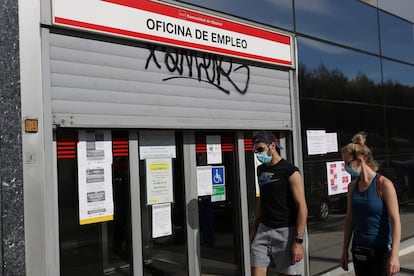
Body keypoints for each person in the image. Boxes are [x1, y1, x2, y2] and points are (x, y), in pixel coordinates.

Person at [340, 132, 401, 276]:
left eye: (347, 163)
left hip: (381, 250)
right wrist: (344, 250)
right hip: (359, 248)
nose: (345, 167)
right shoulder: (352, 186)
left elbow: (396, 221)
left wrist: (395, 255)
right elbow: (350, 218)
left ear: (359, 161)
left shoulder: (384, 185)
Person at [250, 131, 308, 276]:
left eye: (260, 149)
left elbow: (302, 206)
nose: (257, 153)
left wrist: (298, 241)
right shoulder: (260, 169)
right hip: (263, 230)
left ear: (272, 146)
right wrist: (255, 229)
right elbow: (262, 200)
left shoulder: (290, 171)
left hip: (286, 232)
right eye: (255, 150)